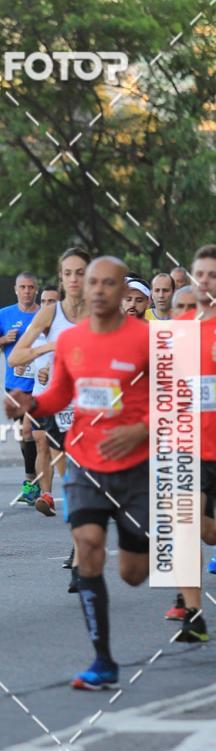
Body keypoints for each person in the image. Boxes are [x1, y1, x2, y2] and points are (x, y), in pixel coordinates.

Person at [5, 257, 151, 690]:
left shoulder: (148, 339)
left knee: (132, 573)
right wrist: (30, 406)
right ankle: (102, 659)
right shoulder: (71, 341)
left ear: (123, 290)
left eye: (110, 284)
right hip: (86, 460)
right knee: (87, 545)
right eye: (94, 284)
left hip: (136, 466)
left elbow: (175, 399)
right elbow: (58, 396)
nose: (101, 291)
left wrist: (140, 430)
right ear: (84, 290)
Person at [9, 249, 90, 517]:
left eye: (80, 273)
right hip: (61, 408)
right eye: (68, 273)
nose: (74, 279)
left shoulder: (101, 312)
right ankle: (78, 545)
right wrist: (49, 349)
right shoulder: (50, 314)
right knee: (73, 484)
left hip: (94, 406)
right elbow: (16, 358)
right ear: (60, 278)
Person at [165, 244, 216, 640]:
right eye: (200, 274)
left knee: (208, 533)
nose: (205, 282)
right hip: (189, 446)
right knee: (185, 526)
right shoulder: (180, 328)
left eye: (213, 275)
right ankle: (194, 617)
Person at [0, 271, 39, 502]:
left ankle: (31, 482)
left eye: (31, 287)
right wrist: (4, 340)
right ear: (15, 289)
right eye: (23, 287)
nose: (27, 291)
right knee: (23, 435)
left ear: (36, 289)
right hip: (14, 385)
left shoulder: (44, 314)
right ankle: (33, 477)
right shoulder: (4, 314)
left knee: (30, 432)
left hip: (40, 385)